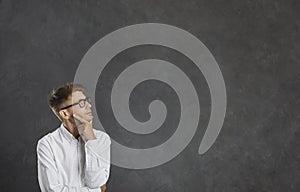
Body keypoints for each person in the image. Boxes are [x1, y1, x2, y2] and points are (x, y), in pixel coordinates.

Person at [37, 82, 110, 192]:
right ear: (65, 114)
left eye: (87, 101)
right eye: (81, 103)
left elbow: (95, 181)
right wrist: (96, 191)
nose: (89, 106)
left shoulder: (101, 139)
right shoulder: (47, 144)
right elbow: (51, 190)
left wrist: (90, 139)